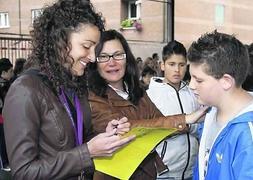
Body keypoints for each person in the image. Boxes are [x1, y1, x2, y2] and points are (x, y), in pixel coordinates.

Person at [2, 1, 135, 179]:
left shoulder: (74, 84)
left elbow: (77, 141)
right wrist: (87, 153)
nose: (93, 57)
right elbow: (23, 172)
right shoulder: (25, 90)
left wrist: (105, 136)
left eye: (95, 49)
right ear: (60, 40)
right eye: (87, 46)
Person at [88, 29, 208, 179]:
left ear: (127, 58)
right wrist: (186, 119)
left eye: (118, 55)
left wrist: (190, 124)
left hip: (149, 173)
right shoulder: (93, 98)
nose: (112, 62)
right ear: (95, 61)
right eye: (104, 57)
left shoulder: (138, 92)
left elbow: (159, 124)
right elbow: (126, 130)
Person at [187, 31, 253, 180]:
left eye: (199, 80)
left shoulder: (247, 133)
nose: (190, 85)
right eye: (190, 77)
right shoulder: (211, 112)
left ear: (226, 81)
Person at [147, 40, 200, 180]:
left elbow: (202, 124)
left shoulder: (193, 92)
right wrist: (181, 126)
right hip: (165, 173)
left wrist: (189, 127)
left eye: (181, 65)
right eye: (172, 64)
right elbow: (149, 130)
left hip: (192, 170)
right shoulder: (151, 95)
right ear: (162, 65)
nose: (177, 70)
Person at [0, 58, 13, 171]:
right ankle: (4, 163)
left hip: (5, 117)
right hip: (1, 118)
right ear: (3, 73)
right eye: (10, 72)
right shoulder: (2, 85)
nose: (12, 74)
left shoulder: (7, 83)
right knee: (3, 140)